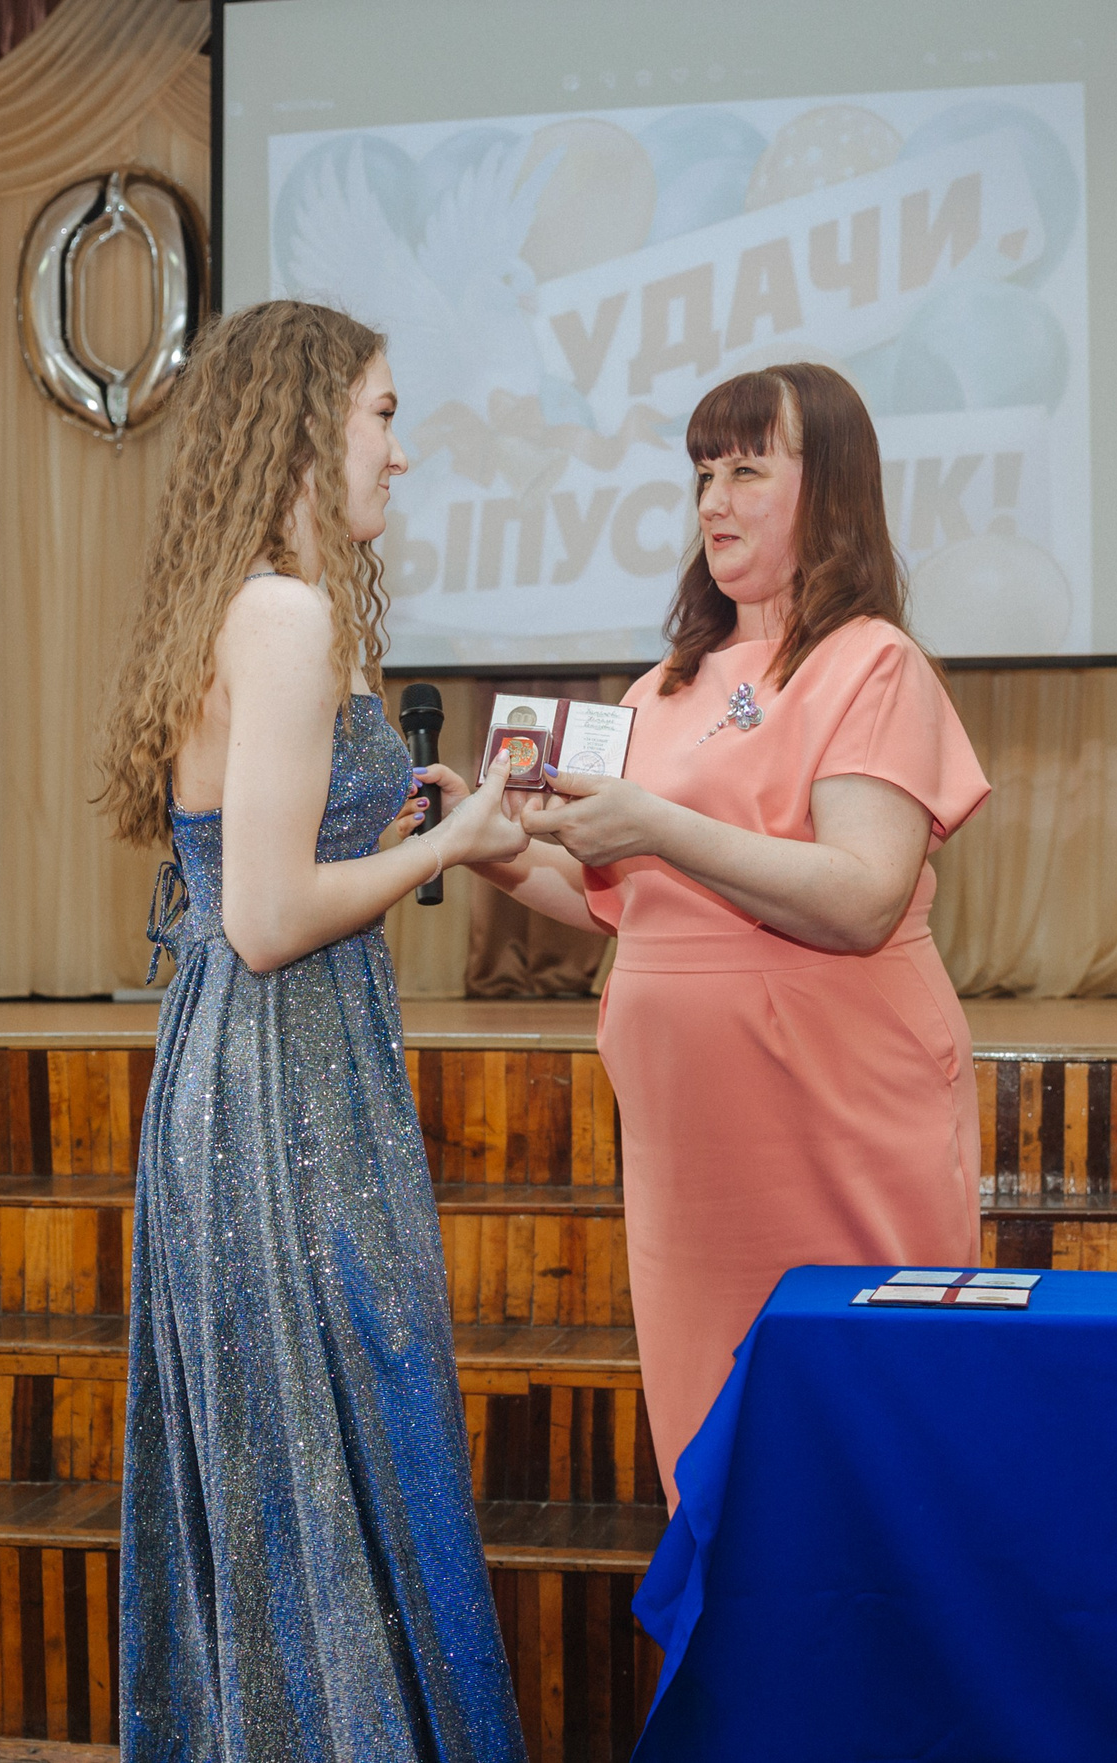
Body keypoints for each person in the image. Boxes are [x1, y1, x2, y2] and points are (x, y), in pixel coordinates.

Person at [96, 300, 531, 1761]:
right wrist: (454, 841)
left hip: (272, 1059)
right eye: (383, 414)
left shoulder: (261, 601)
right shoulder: (280, 615)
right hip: (281, 1076)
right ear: (304, 424)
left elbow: (251, 859)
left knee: (328, 1438)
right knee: (318, 1438)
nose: (398, 454)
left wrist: (387, 816)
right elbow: (271, 916)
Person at [457, 361, 992, 1507]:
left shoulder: (872, 661)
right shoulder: (659, 687)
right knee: (719, 1447)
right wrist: (489, 843)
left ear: (831, 487)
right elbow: (618, 895)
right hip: (689, 1147)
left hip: (838, 1112)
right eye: (703, 470)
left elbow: (859, 894)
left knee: (871, 1428)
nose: (714, 498)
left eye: (749, 467)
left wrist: (657, 820)